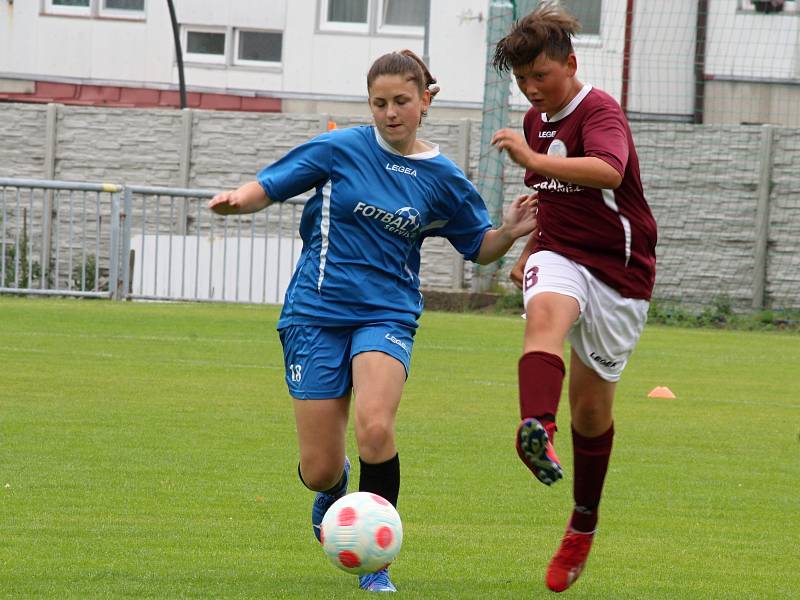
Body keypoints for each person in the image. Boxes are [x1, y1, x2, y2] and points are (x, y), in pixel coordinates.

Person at [209, 49, 537, 593]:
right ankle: (332, 489)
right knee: (317, 467)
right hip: (314, 313)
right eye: (379, 102)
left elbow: (476, 247)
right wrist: (238, 202)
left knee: (376, 426)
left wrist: (507, 232)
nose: (390, 112)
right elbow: (272, 183)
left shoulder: (443, 179)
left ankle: (376, 561)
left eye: (401, 101)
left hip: (387, 313)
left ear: (425, 101)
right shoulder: (342, 148)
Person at [490, 3, 658, 593]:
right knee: (544, 320)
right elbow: (556, 196)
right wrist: (528, 249)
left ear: (571, 64)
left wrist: (534, 160)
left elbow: (609, 172)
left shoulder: (599, 110)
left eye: (542, 76)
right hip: (562, 255)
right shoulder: (536, 122)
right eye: (522, 81)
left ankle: (582, 522)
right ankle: (536, 427)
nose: (533, 90)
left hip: (620, 273)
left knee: (593, 413)